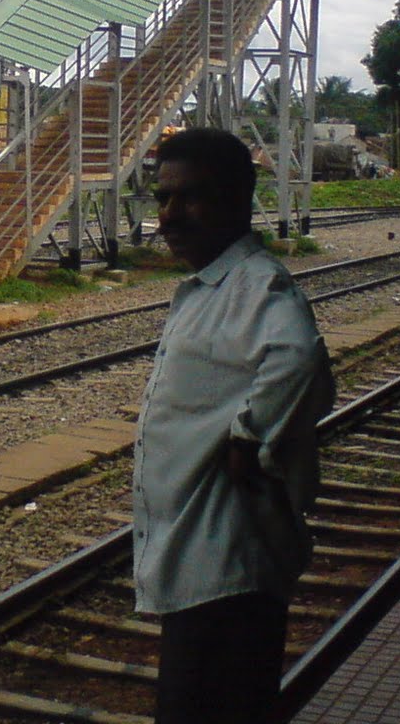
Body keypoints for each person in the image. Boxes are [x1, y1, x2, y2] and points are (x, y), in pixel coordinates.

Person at [134, 128, 335, 724]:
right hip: (198, 552)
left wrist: (250, 436)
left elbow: (301, 358)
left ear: (236, 199)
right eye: (163, 199)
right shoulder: (210, 286)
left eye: (189, 198)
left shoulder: (258, 284)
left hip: (228, 563)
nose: (169, 215)